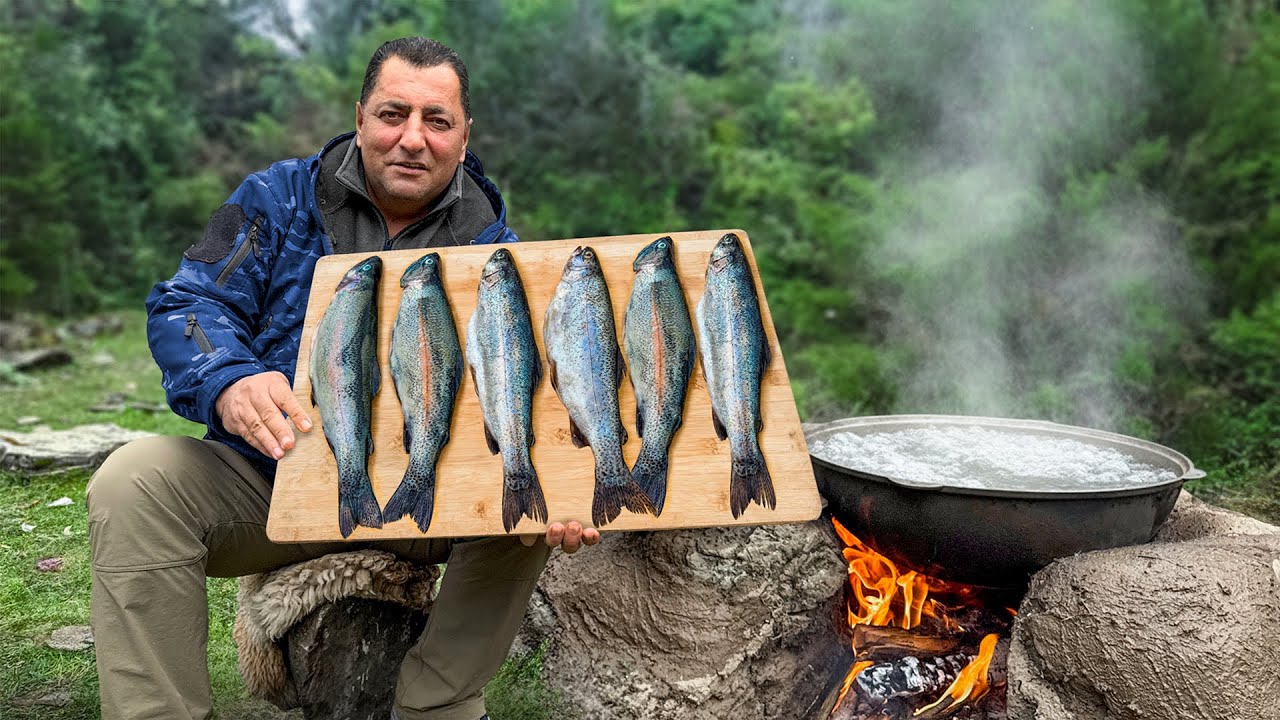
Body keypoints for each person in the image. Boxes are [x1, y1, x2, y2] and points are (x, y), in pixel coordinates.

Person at [87, 37, 599, 720]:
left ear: (464, 135)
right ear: (359, 117)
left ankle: (436, 704)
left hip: (432, 494)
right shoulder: (268, 198)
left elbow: (533, 397)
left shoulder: (498, 254)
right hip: (274, 478)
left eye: (436, 121)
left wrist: (568, 483)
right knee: (133, 481)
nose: (412, 139)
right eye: (393, 114)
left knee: (532, 502)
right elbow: (188, 300)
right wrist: (230, 379)